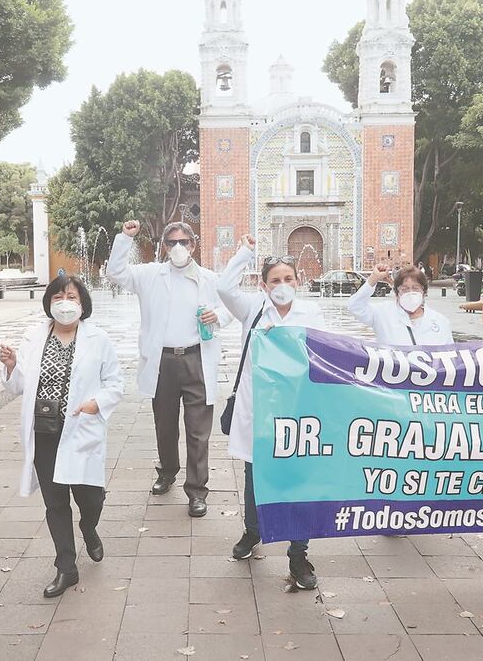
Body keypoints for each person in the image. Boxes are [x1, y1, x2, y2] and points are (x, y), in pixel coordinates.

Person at [0, 275, 123, 597]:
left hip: (81, 427)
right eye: (57, 298)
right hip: (44, 431)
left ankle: (89, 527)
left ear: (82, 304)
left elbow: (115, 383)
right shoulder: (34, 337)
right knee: (55, 503)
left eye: (71, 297)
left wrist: (97, 403)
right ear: (48, 303)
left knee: (90, 498)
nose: (64, 303)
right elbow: (19, 387)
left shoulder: (98, 339)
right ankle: (66, 567)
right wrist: (12, 366)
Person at [217, 234, 324, 590]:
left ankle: (298, 553)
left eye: (288, 279)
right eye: (274, 280)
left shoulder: (312, 313)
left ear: (299, 281)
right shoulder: (252, 311)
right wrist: (245, 251)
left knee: (298, 478)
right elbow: (223, 286)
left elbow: (329, 358)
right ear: (263, 285)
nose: (282, 286)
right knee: (254, 475)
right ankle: (253, 531)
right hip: (258, 410)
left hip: (298, 412)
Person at [107, 220, 232, 517]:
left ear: (194, 245)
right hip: (162, 361)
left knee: (198, 431)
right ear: (164, 246)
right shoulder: (150, 275)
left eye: (184, 242)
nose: (178, 248)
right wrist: (125, 238)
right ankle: (167, 471)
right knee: (164, 426)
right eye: (172, 242)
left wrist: (219, 316)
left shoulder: (209, 278)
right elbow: (115, 272)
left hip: (197, 359)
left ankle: (197, 490)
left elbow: (232, 306)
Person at [348, 263, 453, 346]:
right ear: (397, 293)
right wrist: (373, 279)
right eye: (404, 289)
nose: (410, 293)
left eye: (416, 288)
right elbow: (355, 306)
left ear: (424, 292)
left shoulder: (441, 321)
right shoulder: (382, 314)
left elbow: (452, 358)